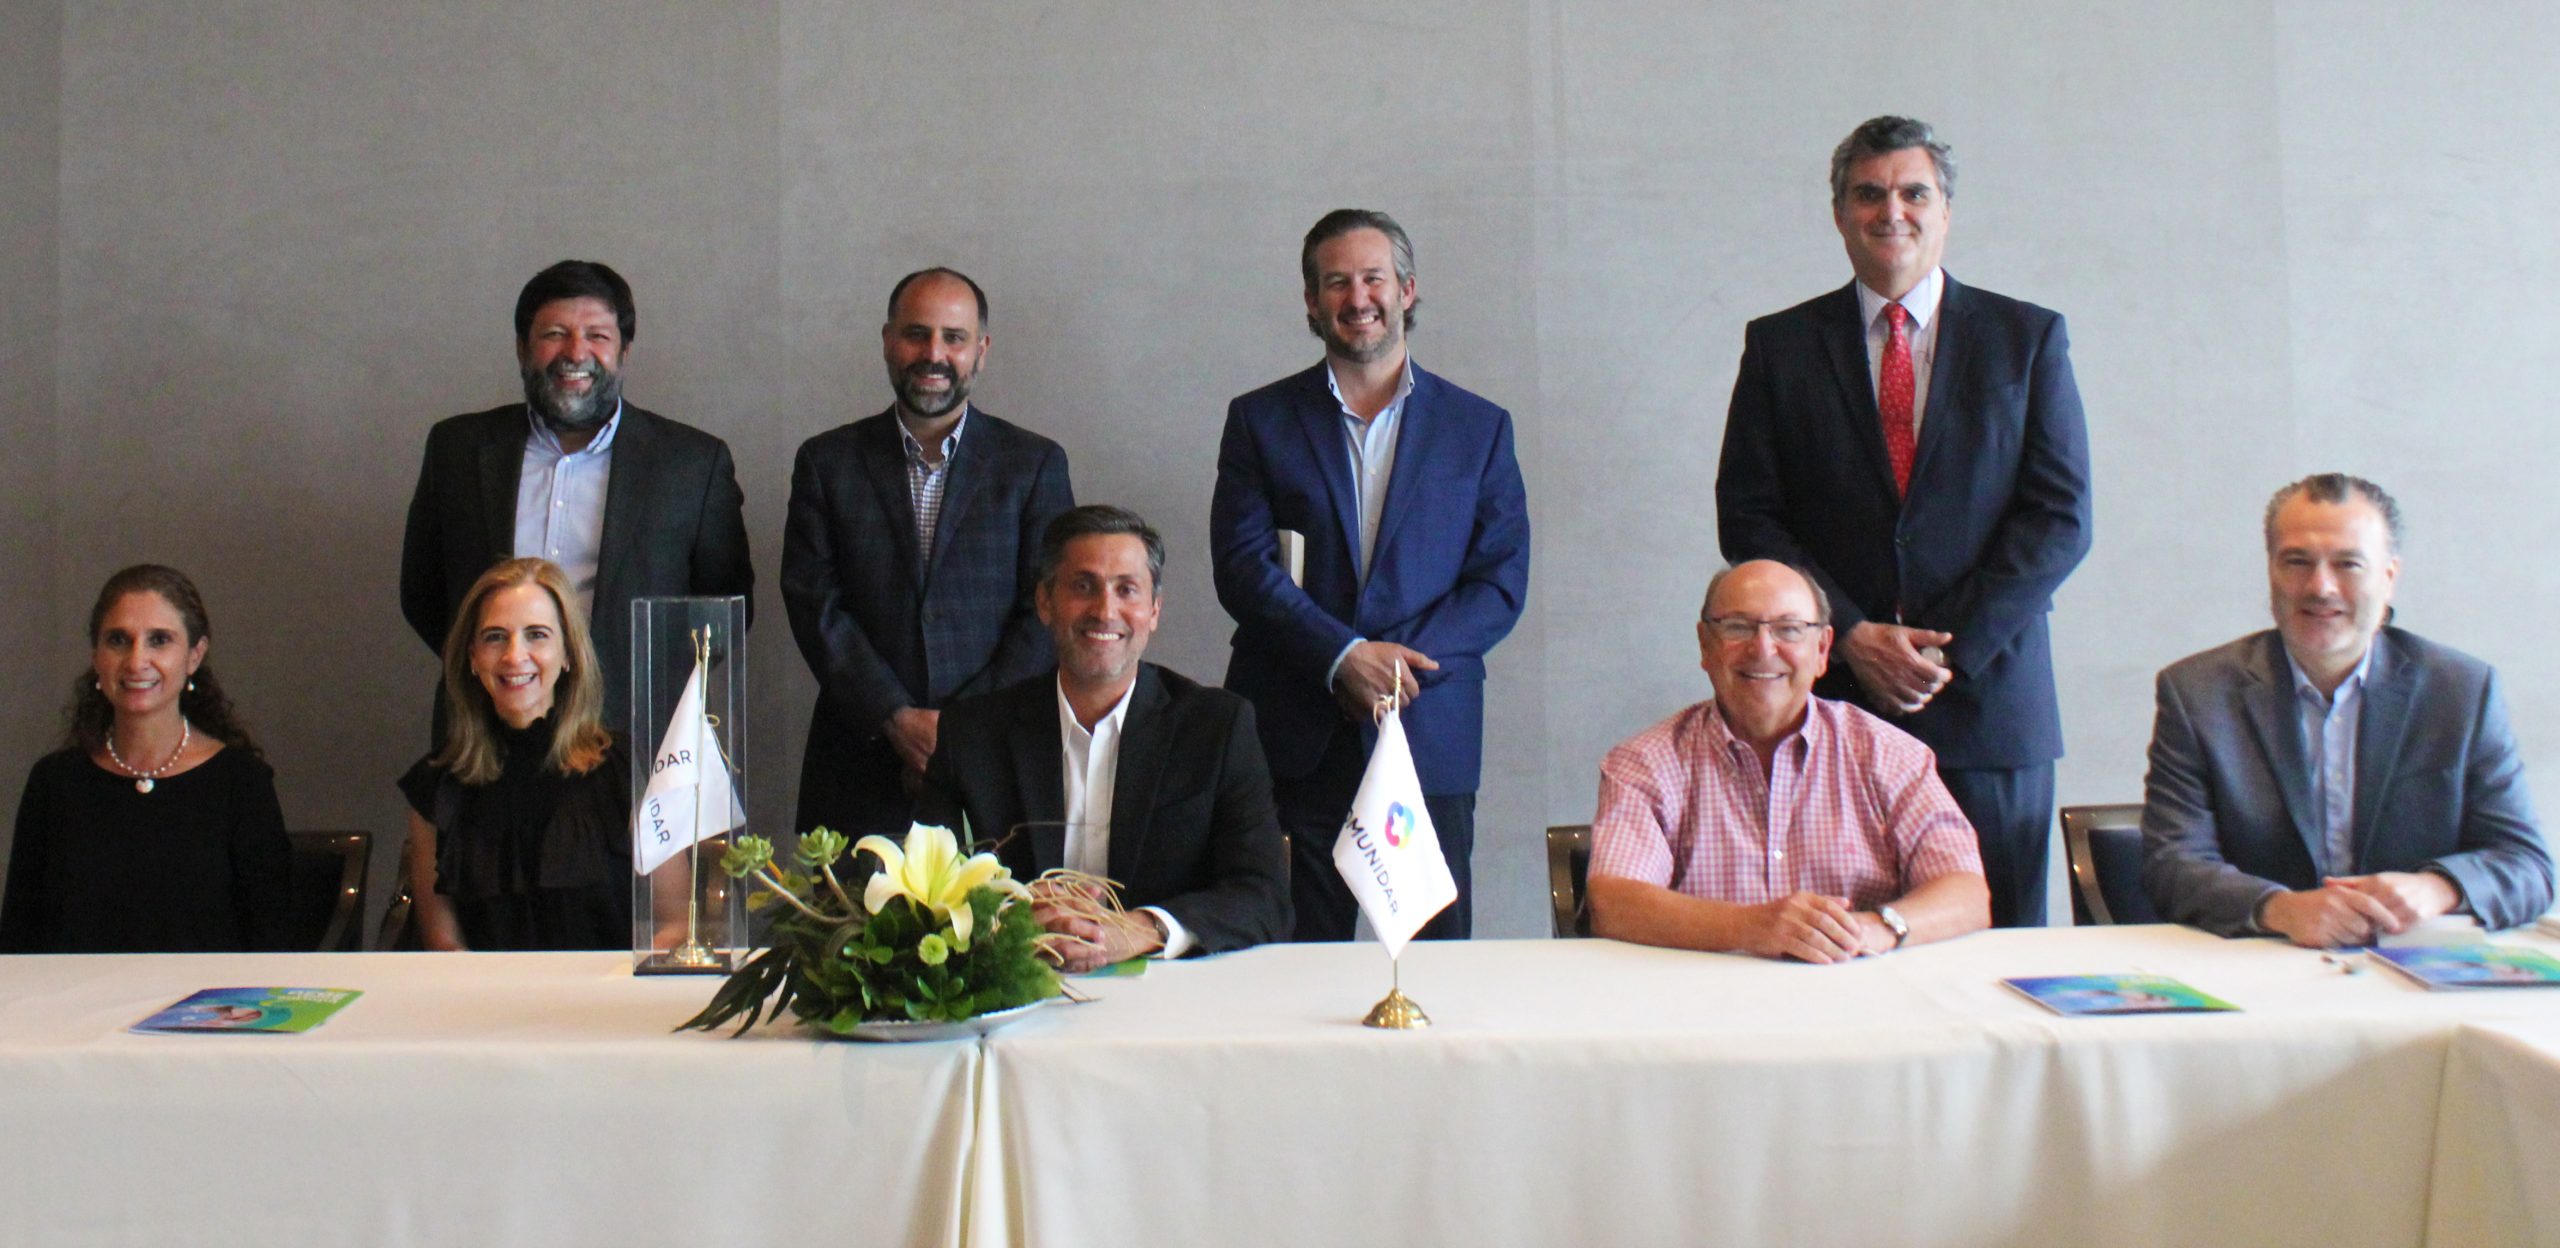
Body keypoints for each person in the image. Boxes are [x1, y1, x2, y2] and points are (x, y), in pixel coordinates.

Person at [1716, 115, 2092, 928]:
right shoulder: (1780, 346)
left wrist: (1942, 650)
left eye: (1914, 193)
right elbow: (1749, 518)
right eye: (1869, 194)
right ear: (1839, 213)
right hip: (1834, 705)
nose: (1892, 212)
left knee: (1998, 946)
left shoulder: (2026, 339)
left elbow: (2060, 517)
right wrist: (1850, 634)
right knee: (1840, 949)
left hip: (1989, 707)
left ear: (1945, 210)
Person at [1211, 209, 1530, 941]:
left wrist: (1393, 667)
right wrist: (1342, 656)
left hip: (1427, 728)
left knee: (1432, 965)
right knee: (1291, 959)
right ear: (1311, 301)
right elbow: (1243, 569)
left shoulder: (1479, 428)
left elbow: (1499, 582)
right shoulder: (1260, 420)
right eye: (1337, 282)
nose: (1358, 298)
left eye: (1373, 278)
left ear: (1406, 290)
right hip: (1297, 731)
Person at [2141, 473, 2552, 944]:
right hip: (2262, 960)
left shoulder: (2460, 692)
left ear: (2389, 577)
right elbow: (2171, 865)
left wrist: (2438, 887)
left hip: (2408, 960)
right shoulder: (2198, 693)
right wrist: (2280, 909)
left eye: (2348, 564)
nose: (2321, 586)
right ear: (2271, 570)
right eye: (2297, 562)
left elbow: (2528, 867)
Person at [917, 506, 1288, 971]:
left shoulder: (1217, 727)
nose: (1105, 611)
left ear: (1154, 610)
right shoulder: (971, 734)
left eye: (1126, 589)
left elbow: (1264, 897)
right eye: (1083, 586)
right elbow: (924, 886)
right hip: (1018, 984)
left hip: (1168, 989)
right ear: (1045, 603)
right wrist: (1010, 917)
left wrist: (1142, 929)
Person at [401, 259, 754, 735]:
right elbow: (423, 594)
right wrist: (505, 675)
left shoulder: (692, 464)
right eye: (554, 334)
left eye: (597, 336)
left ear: (623, 351)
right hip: (486, 731)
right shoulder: (457, 450)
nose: (575, 352)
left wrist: (650, 694)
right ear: (523, 349)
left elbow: (724, 613)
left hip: (636, 736)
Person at [784, 267, 1074, 841]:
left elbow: (1047, 610)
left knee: (999, 905)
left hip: (998, 765)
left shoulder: (1034, 465)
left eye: (954, 337)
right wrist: (895, 716)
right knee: (850, 906)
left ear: (981, 350)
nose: (934, 354)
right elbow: (815, 605)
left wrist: (957, 730)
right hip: (860, 763)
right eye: (916, 334)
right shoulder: (827, 461)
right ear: (888, 341)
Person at [1586, 561, 1988, 961]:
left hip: (1856, 989)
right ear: (1705, 646)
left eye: (1789, 629)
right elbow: (1613, 903)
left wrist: (1872, 929)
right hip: (1704, 995)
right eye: (1738, 627)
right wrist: (1754, 927)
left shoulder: (1892, 755)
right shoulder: (1645, 763)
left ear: (1822, 650)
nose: (1763, 649)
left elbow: (1967, 893)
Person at [1, 565, 290, 953]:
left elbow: (272, 945)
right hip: (75, 994)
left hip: (207, 995)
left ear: (194, 656)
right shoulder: (54, 783)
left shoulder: (241, 783)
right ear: (96, 657)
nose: (137, 661)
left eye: (159, 640)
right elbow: (17, 944)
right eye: (118, 640)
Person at [398, 558, 631, 951]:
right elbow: (445, 948)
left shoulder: (628, 771)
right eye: (494, 637)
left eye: (536, 635)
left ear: (568, 652)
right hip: (480, 991)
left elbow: (672, 926)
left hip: (609, 990)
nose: (514, 655)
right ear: (472, 657)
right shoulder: (436, 788)